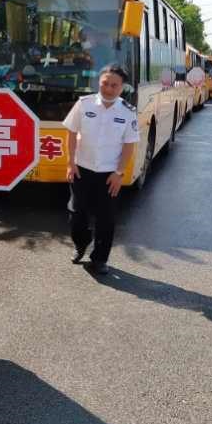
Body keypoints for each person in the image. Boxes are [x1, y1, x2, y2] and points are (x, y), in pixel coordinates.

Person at [63, 63, 139, 275]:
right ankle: (81, 243)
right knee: (76, 214)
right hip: (82, 169)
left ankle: (99, 259)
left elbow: (129, 144)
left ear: (122, 88)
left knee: (106, 218)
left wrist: (119, 173)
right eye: (105, 83)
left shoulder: (127, 112)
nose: (108, 89)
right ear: (99, 82)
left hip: (109, 174)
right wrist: (70, 162)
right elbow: (70, 133)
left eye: (114, 85)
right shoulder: (84, 104)